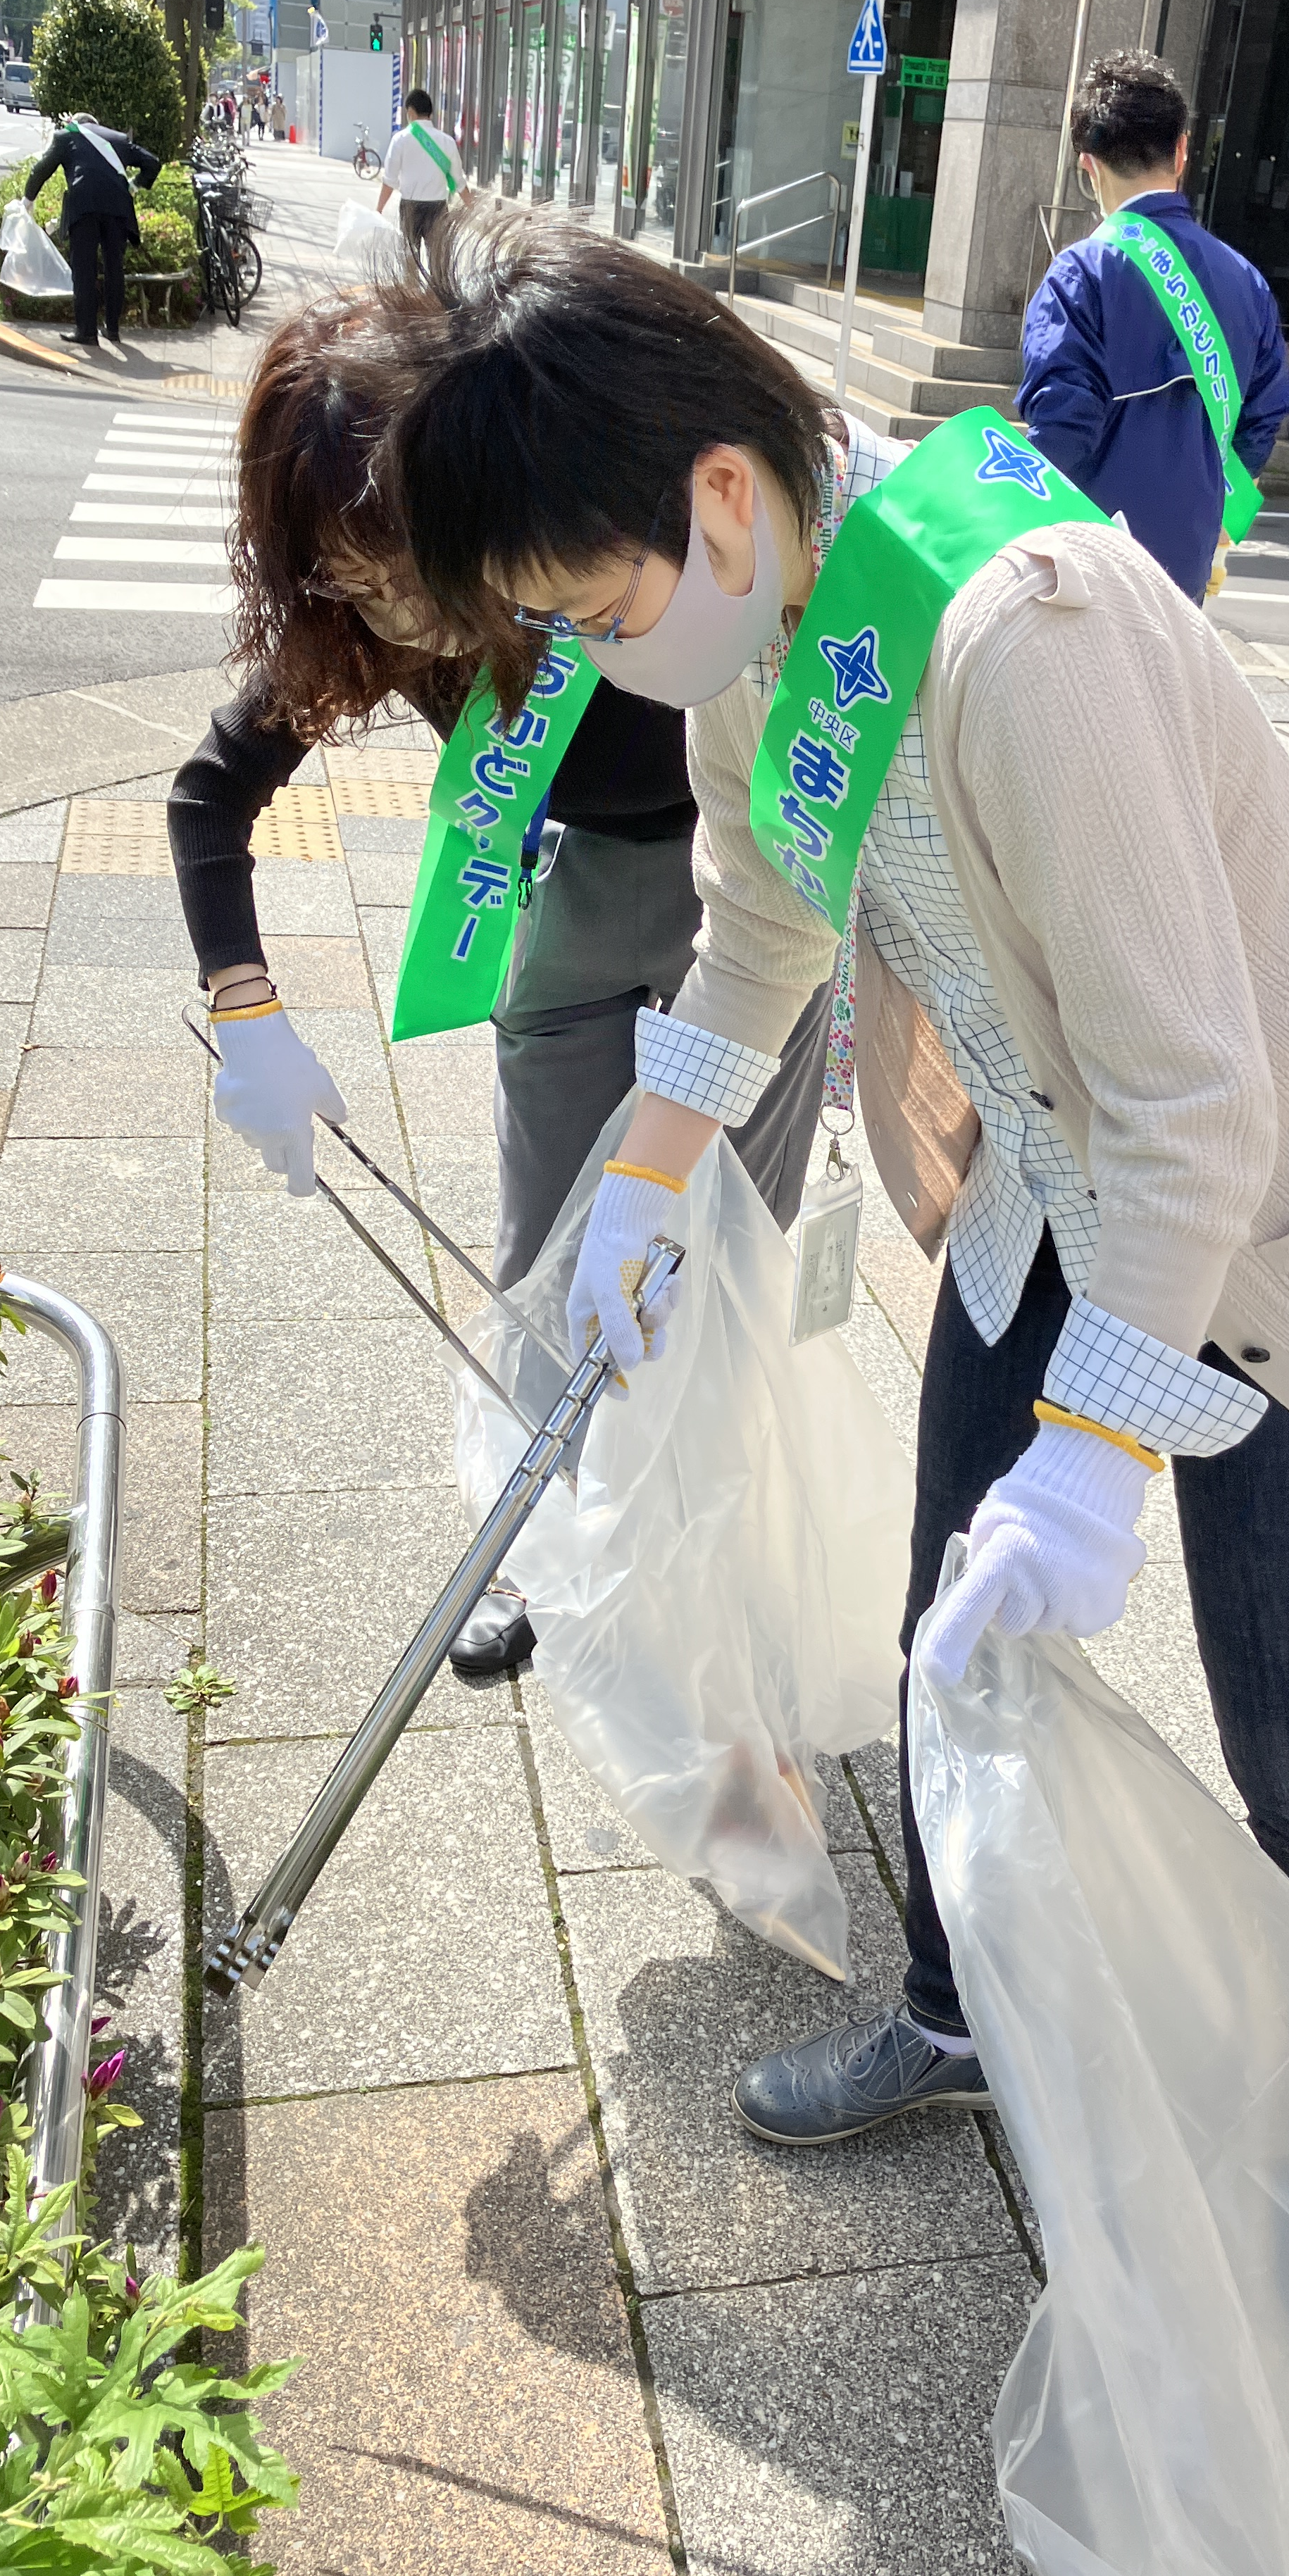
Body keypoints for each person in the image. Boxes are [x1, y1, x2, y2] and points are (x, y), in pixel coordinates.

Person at [385, 212, 1289, 2140]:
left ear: (719, 493)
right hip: (1059, 1183)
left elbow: (1198, 1102)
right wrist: (644, 1172)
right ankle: (962, 2014)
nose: (598, 658)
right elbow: (765, 925)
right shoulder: (776, 600)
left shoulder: (1021, 629)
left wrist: (1099, 1458)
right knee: (947, 1641)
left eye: (595, 606)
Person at [167, 293, 833, 1675]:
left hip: (760, 892)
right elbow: (209, 799)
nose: (393, 603)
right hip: (584, 894)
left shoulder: (591, 520)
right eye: (348, 577)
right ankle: (532, 1547)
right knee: (550, 1255)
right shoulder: (372, 620)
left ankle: (713, 1549)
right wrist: (250, 1020)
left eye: (398, 559)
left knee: (737, 1254)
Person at [1016, 49, 1289, 603]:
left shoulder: (1081, 275)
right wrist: (1214, 517)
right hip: (1181, 579)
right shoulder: (1246, 282)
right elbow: (1264, 417)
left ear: (1087, 167)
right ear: (1183, 151)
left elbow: (1059, 434)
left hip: (1082, 576)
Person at [20, 113, 161, 352]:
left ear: (76, 123)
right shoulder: (117, 139)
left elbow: (41, 169)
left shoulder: (66, 137)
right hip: (118, 209)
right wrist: (135, 185)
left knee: (84, 269)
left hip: (83, 207)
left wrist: (28, 200)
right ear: (96, 124)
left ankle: (86, 332)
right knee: (114, 267)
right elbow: (153, 163)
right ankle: (113, 329)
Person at [376, 87, 463, 275]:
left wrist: (379, 209)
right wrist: (473, 208)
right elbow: (459, 181)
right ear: (431, 114)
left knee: (410, 262)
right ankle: (439, 300)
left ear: (410, 112)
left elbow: (389, 181)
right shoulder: (447, 142)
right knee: (439, 264)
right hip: (438, 209)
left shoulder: (400, 140)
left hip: (410, 208)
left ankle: (413, 297)